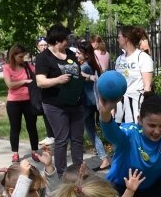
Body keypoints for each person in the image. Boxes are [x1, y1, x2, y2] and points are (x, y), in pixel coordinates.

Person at [34, 24, 85, 177]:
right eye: (66, 39)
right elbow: (40, 82)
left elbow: (76, 72)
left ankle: (78, 171)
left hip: (75, 101)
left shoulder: (70, 53)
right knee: (62, 139)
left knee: (77, 138)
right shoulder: (44, 58)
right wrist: (58, 80)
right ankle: (62, 174)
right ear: (57, 40)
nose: (68, 42)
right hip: (54, 104)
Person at [3, 44, 40, 164]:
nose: (22, 59)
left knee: (32, 127)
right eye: (20, 56)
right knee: (15, 128)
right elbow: (10, 85)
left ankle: (35, 151)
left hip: (29, 101)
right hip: (14, 102)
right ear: (13, 55)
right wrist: (24, 81)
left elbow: (38, 77)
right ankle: (15, 153)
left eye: (24, 56)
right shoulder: (7, 67)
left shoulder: (28, 66)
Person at [77, 42, 110, 170]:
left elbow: (77, 76)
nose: (76, 55)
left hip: (87, 103)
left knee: (75, 130)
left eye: (79, 53)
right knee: (91, 132)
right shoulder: (92, 65)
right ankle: (104, 159)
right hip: (92, 102)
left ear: (85, 55)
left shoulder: (85, 67)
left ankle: (78, 161)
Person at [114, 25, 154, 124]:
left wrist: (146, 110)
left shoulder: (143, 57)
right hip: (120, 105)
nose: (117, 39)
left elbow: (147, 86)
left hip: (136, 105)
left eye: (119, 37)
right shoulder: (119, 59)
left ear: (126, 38)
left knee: (135, 135)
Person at [34, 37, 55, 147]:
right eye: (41, 45)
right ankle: (50, 135)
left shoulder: (51, 57)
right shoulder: (38, 58)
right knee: (45, 113)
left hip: (51, 89)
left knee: (51, 113)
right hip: (42, 90)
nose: (43, 47)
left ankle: (53, 135)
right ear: (38, 47)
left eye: (45, 45)